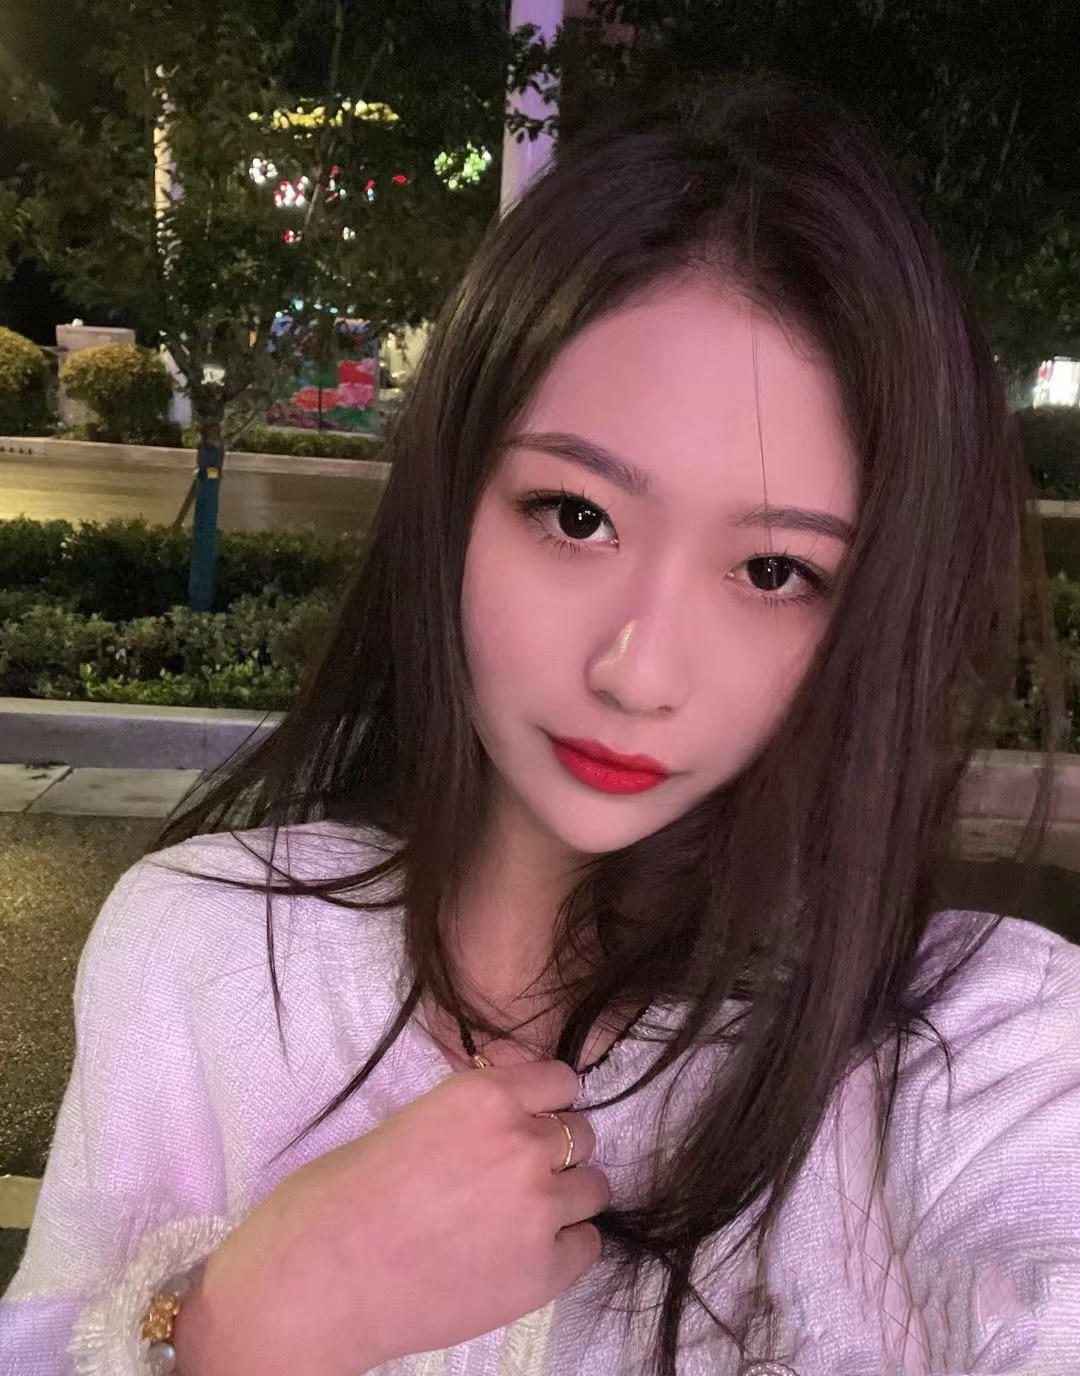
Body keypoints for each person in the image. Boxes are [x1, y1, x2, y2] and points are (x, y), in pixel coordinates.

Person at [1, 75, 1078, 1376]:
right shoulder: (203, 954)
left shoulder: (980, 1052)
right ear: (455, 495)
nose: (638, 671)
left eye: (774, 570)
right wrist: (239, 1331)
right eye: (577, 517)